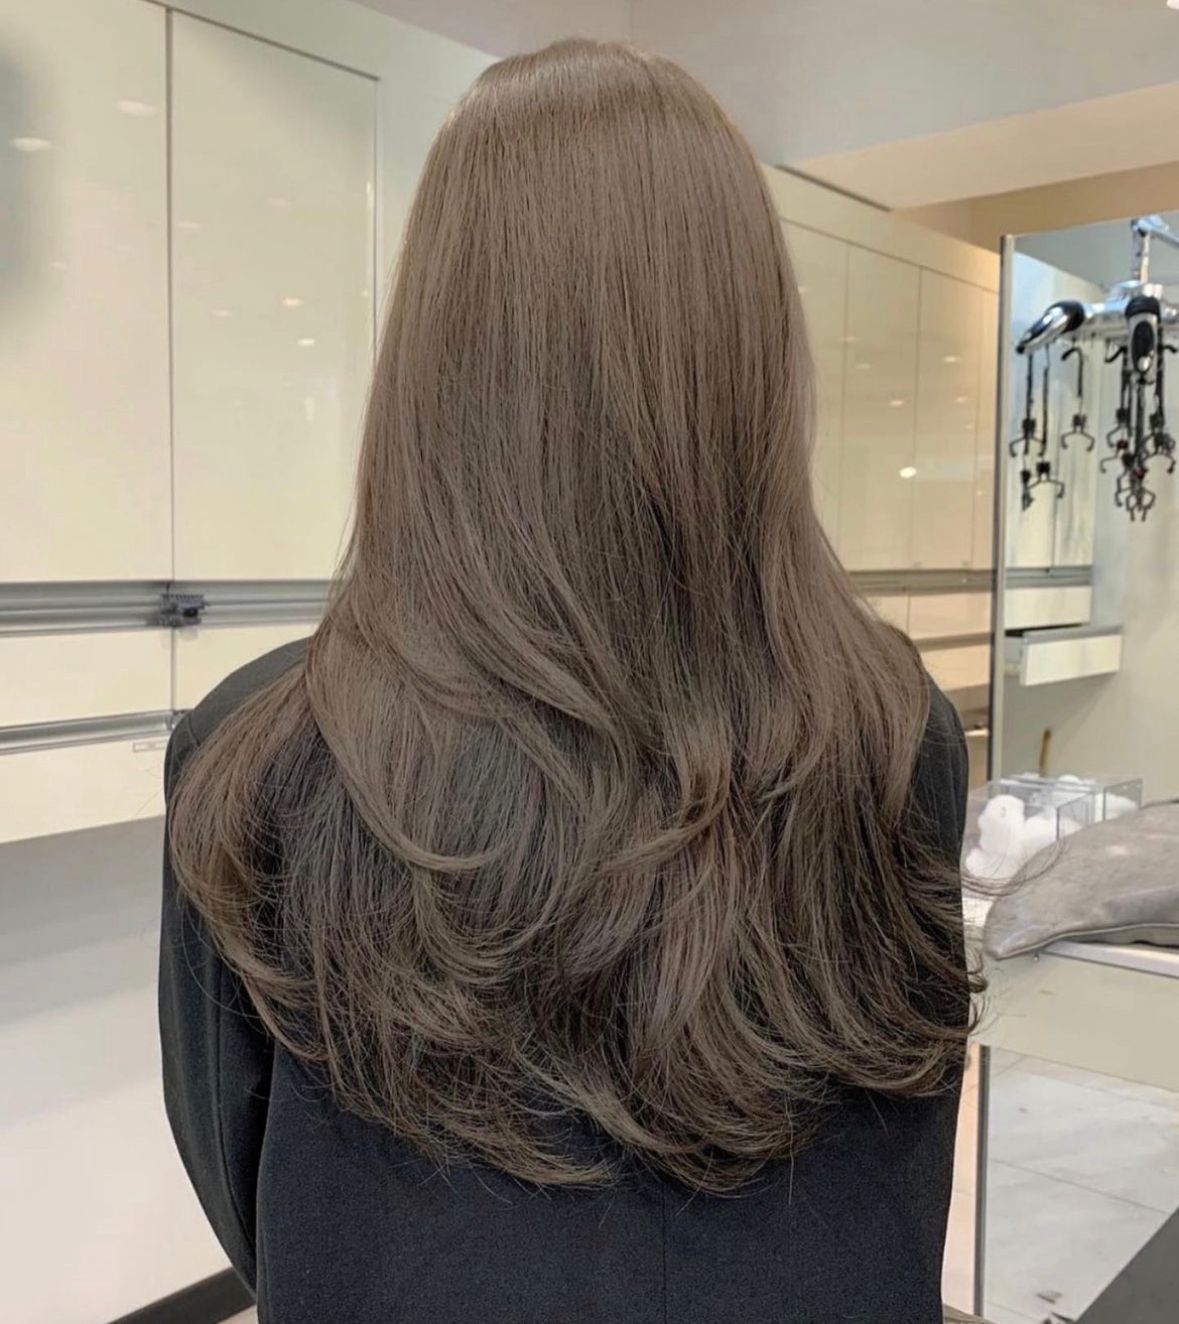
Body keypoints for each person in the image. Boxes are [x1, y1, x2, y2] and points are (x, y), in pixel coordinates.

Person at [161, 38, 973, 1324]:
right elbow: (911, 1151)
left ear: (435, 358)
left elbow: (244, 1177)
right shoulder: (893, 737)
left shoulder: (261, 760)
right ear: (752, 358)